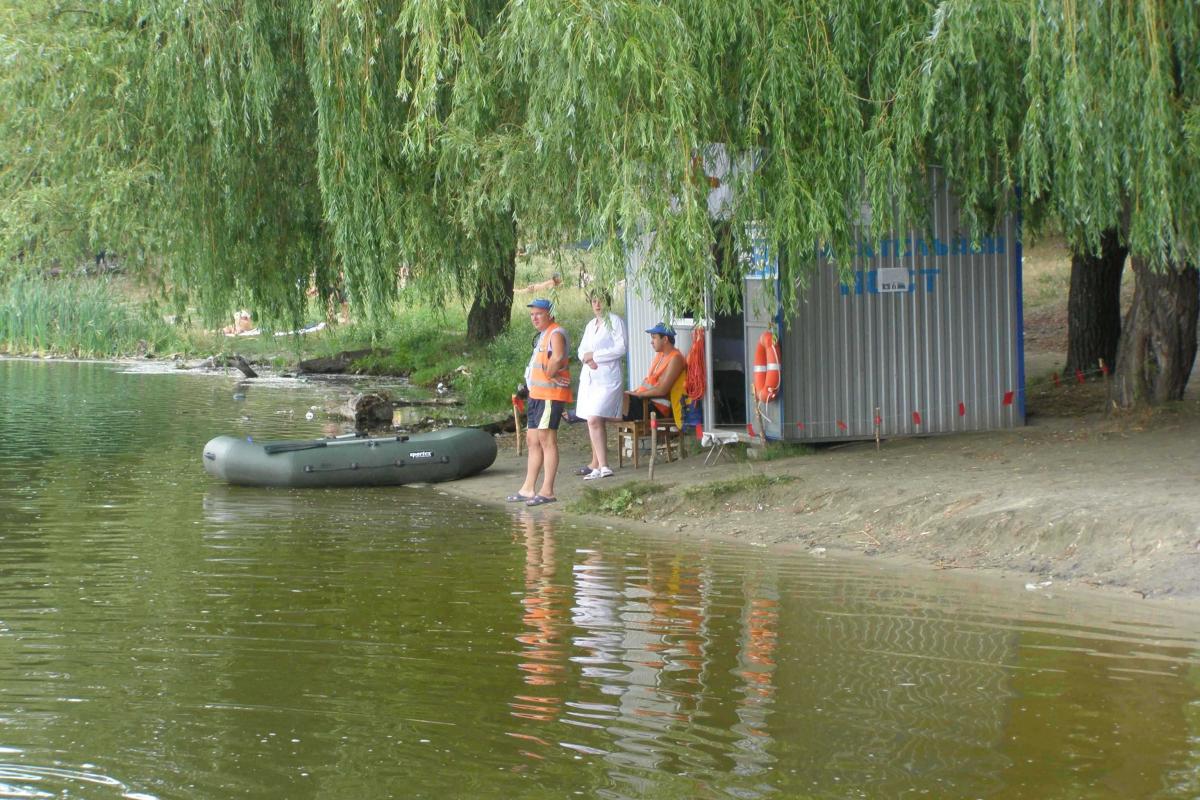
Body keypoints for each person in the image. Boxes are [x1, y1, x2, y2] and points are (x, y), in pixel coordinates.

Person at [508, 298, 571, 506]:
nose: (534, 318)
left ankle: (548, 490)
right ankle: (528, 488)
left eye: (539, 314)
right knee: (532, 440)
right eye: (532, 314)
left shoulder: (556, 333)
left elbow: (558, 356)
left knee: (547, 440)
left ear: (550, 315)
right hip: (536, 395)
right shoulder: (544, 335)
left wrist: (550, 374)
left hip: (549, 397)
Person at [574, 290, 627, 480]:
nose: (597, 305)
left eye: (600, 301)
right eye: (594, 301)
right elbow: (582, 349)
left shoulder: (615, 321)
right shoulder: (590, 325)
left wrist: (596, 356)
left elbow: (620, 348)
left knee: (595, 417)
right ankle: (599, 465)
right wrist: (587, 360)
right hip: (590, 375)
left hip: (607, 377)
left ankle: (602, 464)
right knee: (594, 419)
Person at [623, 322, 688, 429]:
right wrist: (634, 392)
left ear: (665, 339)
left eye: (654, 338)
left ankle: (597, 420)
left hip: (658, 407)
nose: (651, 342)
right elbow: (649, 382)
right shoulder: (660, 355)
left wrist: (638, 395)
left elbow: (662, 390)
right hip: (646, 402)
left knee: (618, 399)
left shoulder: (676, 358)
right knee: (616, 395)